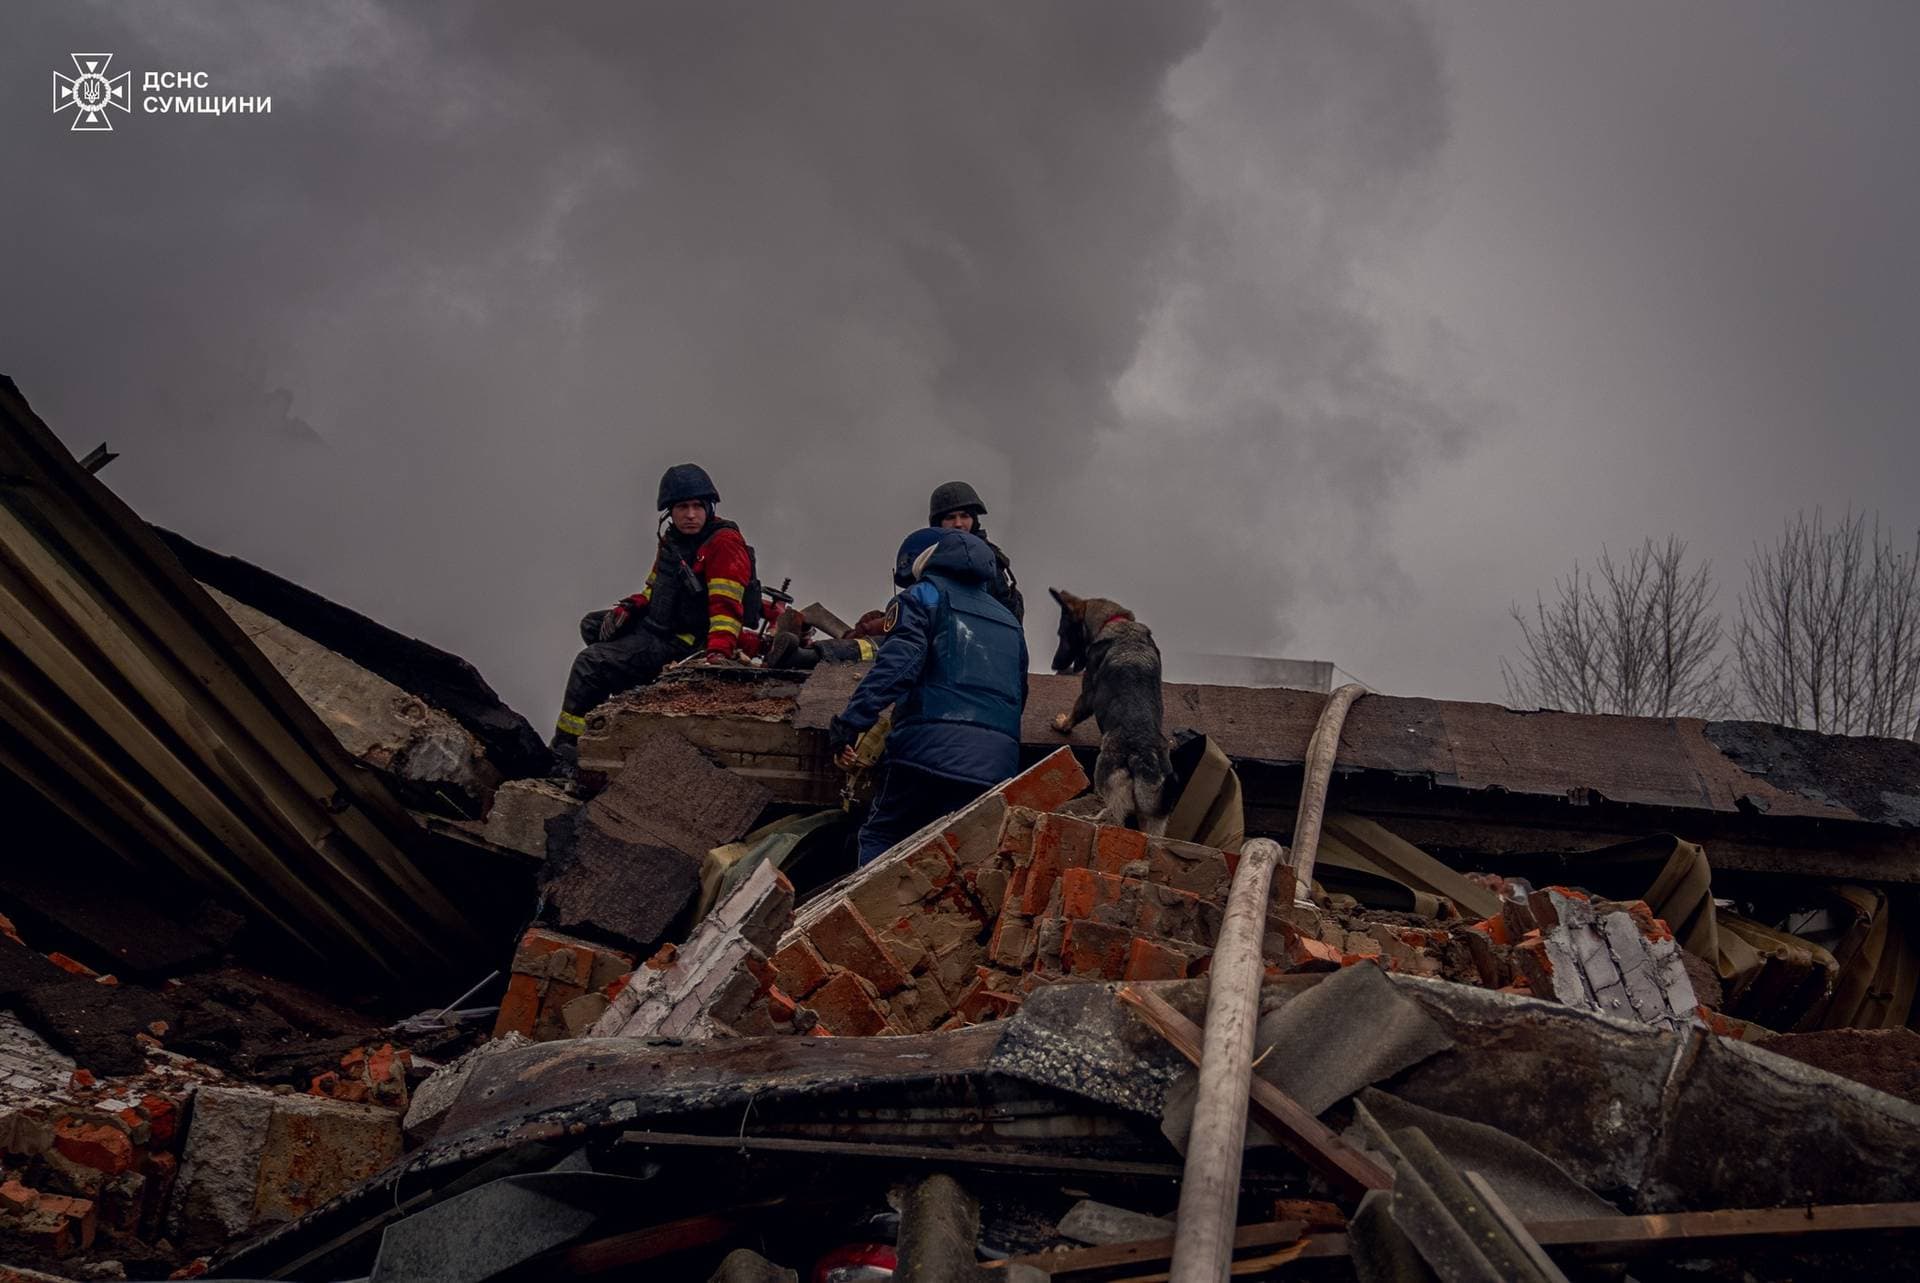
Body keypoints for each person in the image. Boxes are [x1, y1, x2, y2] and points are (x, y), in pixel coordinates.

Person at [828, 528, 1028, 865]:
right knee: (959, 856)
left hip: (926, 751)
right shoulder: (1009, 620)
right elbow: (1020, 695)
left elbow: (897, 666)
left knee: (883, 834)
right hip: (996, 765)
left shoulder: (923, 596)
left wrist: (850, 723)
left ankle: (874, 916)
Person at [550, 463, 756, 776]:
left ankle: (567, 748)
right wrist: (630, 607)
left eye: (697, 506)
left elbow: (726, 609)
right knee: (592, 625)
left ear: (709, 507)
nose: (690, 515)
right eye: (682, 507)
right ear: (669, 512)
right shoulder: (673, 540)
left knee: (589, 663)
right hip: (657, 625)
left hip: (681, 642)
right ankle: (620, 684)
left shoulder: (723, 544)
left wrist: (717, 654)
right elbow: (655, 588)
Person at [927, 481, 1023, 621]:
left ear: (974, 519)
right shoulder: (927, 559)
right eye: (950, 517)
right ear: (938, 523)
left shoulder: (989, 558)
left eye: (964, 516)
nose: (958, 524)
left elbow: (1009, 614)